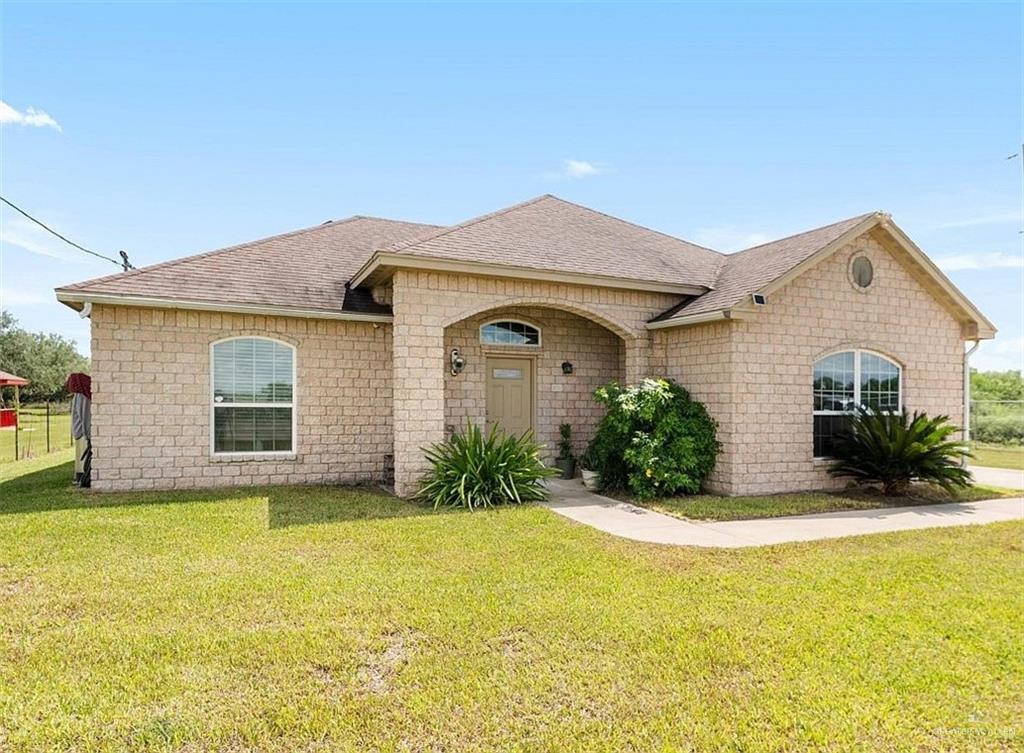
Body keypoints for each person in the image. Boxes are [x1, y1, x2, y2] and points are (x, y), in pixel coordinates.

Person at [66, 373, 91, 485]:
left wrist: (88, 435)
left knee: (85, 457)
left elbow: (84, 416)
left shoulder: (82, 397)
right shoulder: (80, 396)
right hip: (84, 434)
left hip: (85, 434)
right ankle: (83, 478)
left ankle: (84, 479)